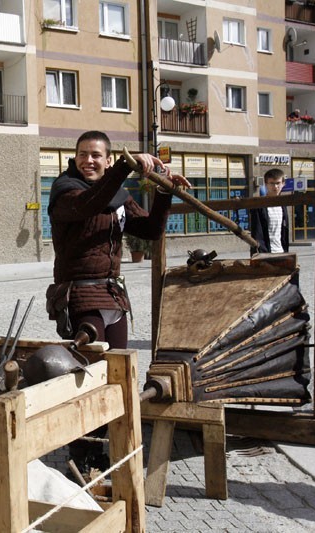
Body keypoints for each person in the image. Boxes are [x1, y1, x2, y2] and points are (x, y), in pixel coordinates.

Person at [46, 130, 189, 478]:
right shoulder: (66, 190)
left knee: (115, 376)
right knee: (84, 378)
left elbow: (150, 231)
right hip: (80, 296)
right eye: (83, 154)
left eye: (96, 155)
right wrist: (125, 168)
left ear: (107, 159)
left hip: (114, 295)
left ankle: (102, 449)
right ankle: (78, 453)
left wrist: (165, 194)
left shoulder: (119, 196)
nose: (88, 160)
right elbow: (90, 203)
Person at [250, 168, 289, 255]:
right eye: (272, 183)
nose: (275, 187)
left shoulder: (283, 206)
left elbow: (283, 231)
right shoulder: (259, 206)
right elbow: (257, 232)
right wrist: (261, 253)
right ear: (266, 184)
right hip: (265, 253)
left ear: (283, 184)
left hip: (281, 251)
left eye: (278, 183)